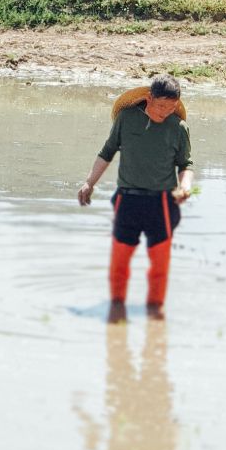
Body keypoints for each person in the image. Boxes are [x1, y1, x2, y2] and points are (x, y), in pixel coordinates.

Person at [76, 75, 193, 318]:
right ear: (149, 99)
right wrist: (89, 183)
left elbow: (186, 165)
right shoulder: (126, 119)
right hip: (127, 200)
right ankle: (117, 307)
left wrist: (185, 186)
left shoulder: (178, 128)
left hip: (162, 203)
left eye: (172, 108)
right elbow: (107, 152)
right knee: (120, 260)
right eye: (161, 106)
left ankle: (155, 310)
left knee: (160, 265)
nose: (165, 112)